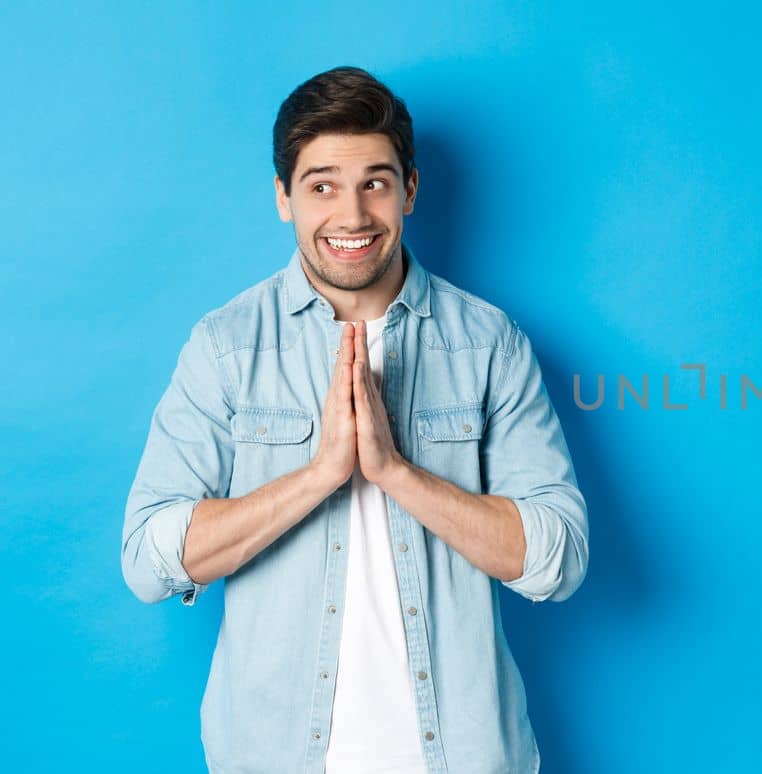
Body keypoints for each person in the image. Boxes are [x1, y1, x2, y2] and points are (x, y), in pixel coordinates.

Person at [120, 65, 589, 773]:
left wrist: (396, 473)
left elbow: (558, 558)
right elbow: (150, 559)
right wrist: (317, 477)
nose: (352, 216)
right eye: (321, 186)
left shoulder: (489, 343)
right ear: (284, 197)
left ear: (410, 189)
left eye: (374, 181)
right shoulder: (225, 345)